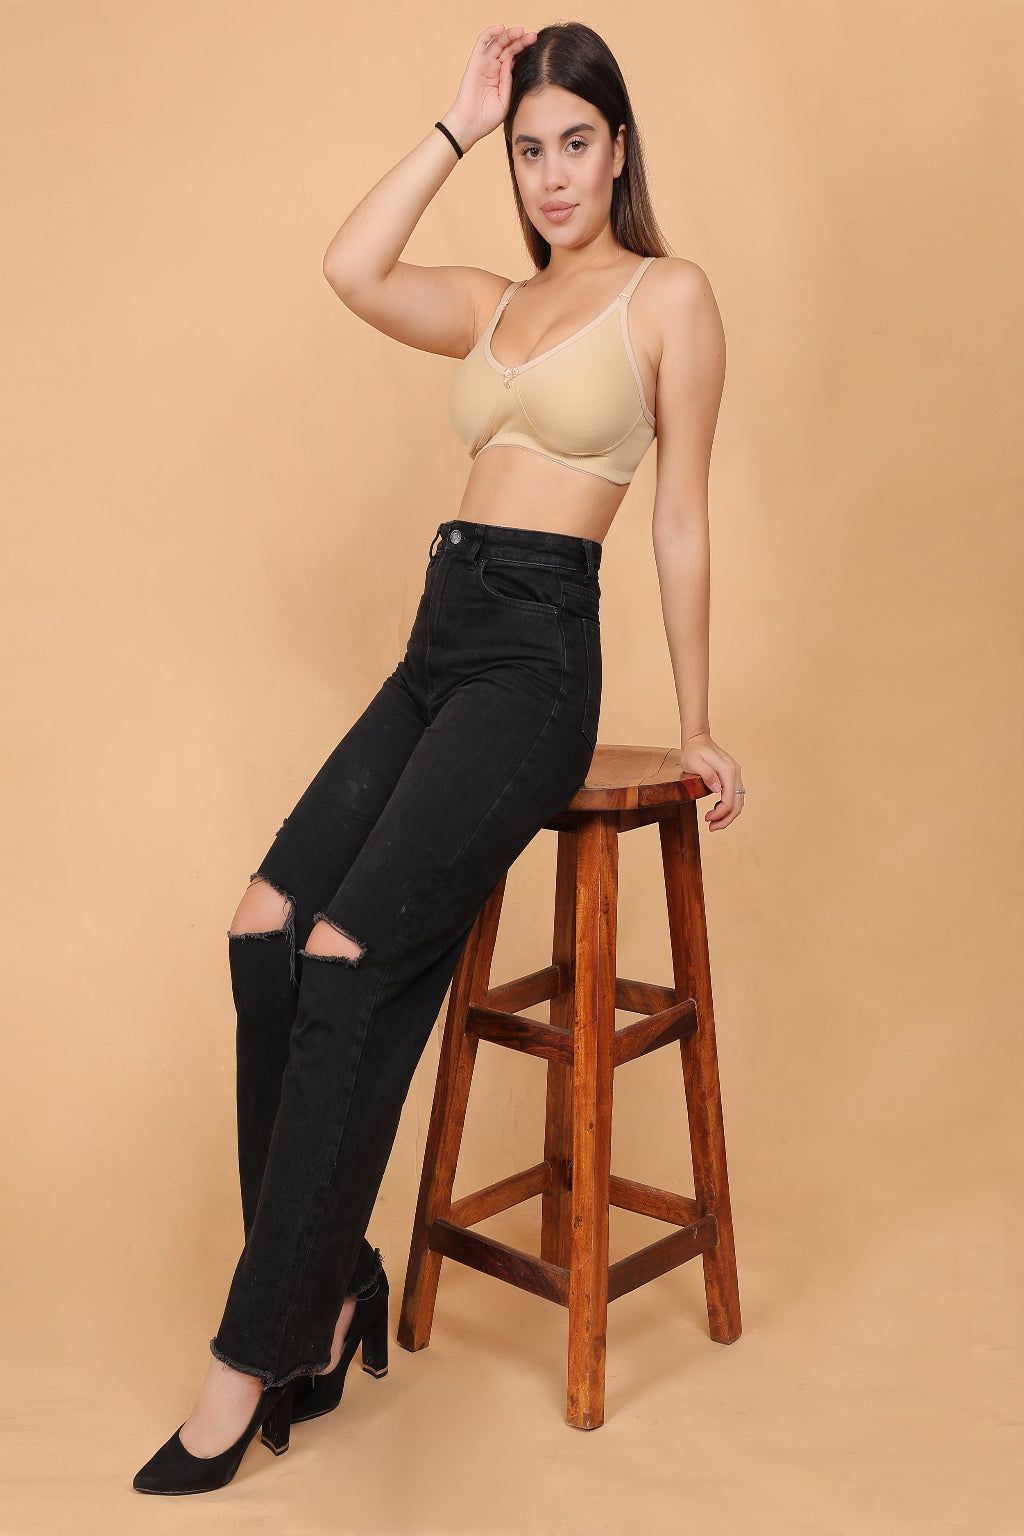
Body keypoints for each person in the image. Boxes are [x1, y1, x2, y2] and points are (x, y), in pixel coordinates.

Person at [133, 18, 745, 1496]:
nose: (551, 173)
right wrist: (455, 124)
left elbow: (678, 517)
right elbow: (350, 270)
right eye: (530, 148)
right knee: (265, 930)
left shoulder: (670, 296)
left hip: (537, 657)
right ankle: (332, 1288)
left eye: (572, 142)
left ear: (620, 145)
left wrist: (704, 714)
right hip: (438, 638)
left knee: (349, 954)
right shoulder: (490, 303)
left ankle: (249, 1359)